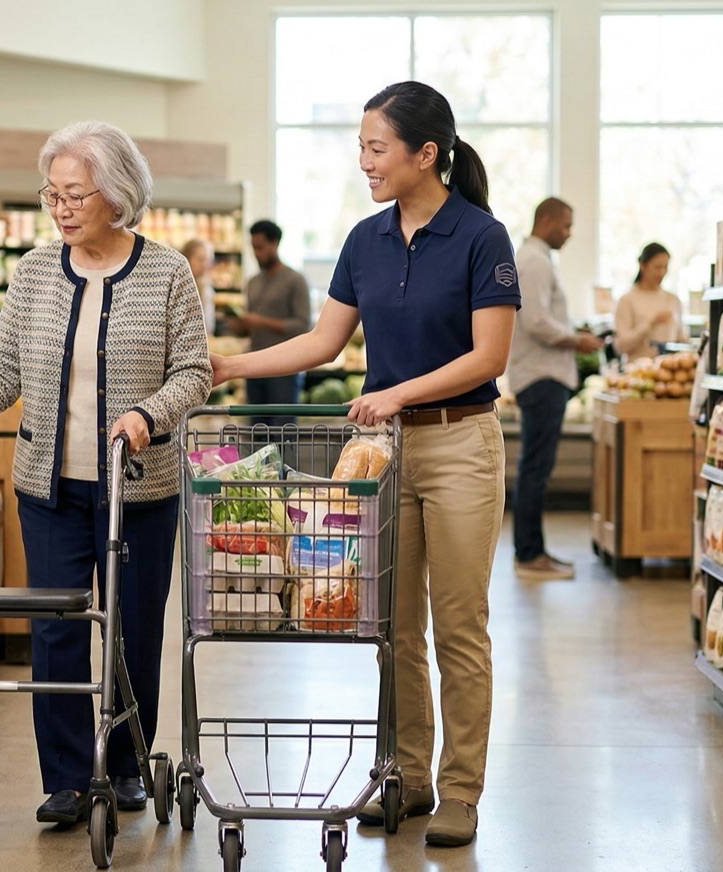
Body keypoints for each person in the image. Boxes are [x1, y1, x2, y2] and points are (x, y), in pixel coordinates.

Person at [211, 81, 518, 848]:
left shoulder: (483, 238)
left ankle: (461, 792)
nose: (365, 162)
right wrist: (227, 365)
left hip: (458, 444)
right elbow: (322, 345)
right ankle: (408, 778)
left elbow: (490, 357)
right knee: (393, 626)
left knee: (458, 624)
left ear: (425, 153)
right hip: (381, 455)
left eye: (376, 148)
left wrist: (393, 392)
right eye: (360, 148)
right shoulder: (364, 240)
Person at [0, 121, 211, 828]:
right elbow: (3, 371)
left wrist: (149, 413)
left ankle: (125, 767)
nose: (60, 207)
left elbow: (195, 371)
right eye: (51, 194)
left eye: (74, 193)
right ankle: (65, 779)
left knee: (131, 629)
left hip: (138, 487)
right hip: (48, 489)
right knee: (54, 629)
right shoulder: (32, 272)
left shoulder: (167, 271)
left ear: (117, 194)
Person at [509, 197, 603, 580]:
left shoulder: (538, 259)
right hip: (541, 376)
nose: (568, 233)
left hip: (543, 374)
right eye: (565, 225)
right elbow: (536, 321)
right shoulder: (533, 261)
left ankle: (534, 551)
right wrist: (576, 341)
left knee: (537, 467)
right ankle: (529, 555)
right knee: (535, 468)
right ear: (545, 220)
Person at [231, 220, 309, 426]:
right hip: (254, 365)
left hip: (285, 368)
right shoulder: (253, 282)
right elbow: (250, 328)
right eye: (253, 247)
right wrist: (240, 325)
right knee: (257, 430)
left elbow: (302, 325)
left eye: (260, 247)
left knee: (284, 429)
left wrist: (261, 321)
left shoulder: (295, 280)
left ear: (275, 244)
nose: (256, 253)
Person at [613, 242, 685, 359]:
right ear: (642, 265)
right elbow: (621, 346)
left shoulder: (673, 300)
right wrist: (650, 323)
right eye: (657, 267)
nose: (662, 273)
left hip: (670, 372)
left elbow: (682, 340)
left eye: (665, 267)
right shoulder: (627, 300)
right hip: (638, 373)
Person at [181, 238, 216, 337]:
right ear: (186, 259)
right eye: (201, 260)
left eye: (208, 260)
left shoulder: (206, 287)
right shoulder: (180, 288)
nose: (205, 265)